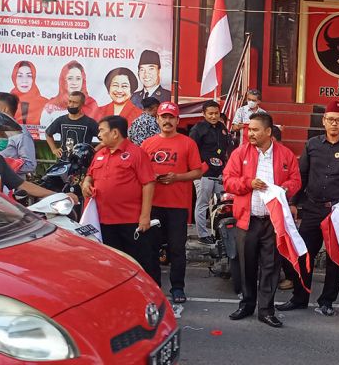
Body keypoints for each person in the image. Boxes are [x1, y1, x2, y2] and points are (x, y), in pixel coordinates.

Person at [278, 100, 339, 317]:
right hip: (312, 208)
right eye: (330, 120)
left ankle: (327, 301)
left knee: (334, 259)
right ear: (323, 121)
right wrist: (294, 202)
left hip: (338, 211)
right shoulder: (312, 144)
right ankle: (299, 297)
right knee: (303, 254)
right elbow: (302, 175)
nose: (334, 124)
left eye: (338, 120)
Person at [224, 112, 301, 328]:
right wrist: (248, 183)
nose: (250, 133)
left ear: (268, 132)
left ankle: (266, 310)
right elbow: (228, 181)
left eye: (256, 129)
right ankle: (247, 304)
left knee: (271, 266)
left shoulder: (285, 154)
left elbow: (296, 180)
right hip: (247, 221)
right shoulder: (240, 153)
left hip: (273, 221)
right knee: (247, 265)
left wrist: (285, 189)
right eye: (249, 129)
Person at [81, 115, 157, 281]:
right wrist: (86, 183)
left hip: (129, 220)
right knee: (112, 263)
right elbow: (89, 175)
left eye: (102, 130)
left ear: (115, 133)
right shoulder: (100, 153)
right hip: (103, 220)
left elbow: (148, 184)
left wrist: (145, 216)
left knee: (139, 262)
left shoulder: (136, 153)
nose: (99, 134)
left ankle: (150, 295)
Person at [141, 102, 202, 303]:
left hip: (177, 205)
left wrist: (177, 177)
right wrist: (153, 175)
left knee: (177, 248)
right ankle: (154, 286)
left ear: (177, 120)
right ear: (157, 119)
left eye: (171, 117)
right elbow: (140, 173)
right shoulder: (147, 144)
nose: (167, 121)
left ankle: (177, 287)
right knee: (150, 248)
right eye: (163, 117)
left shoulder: (188, 143)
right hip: (153, 204)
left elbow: (198, 172)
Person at [190, 100, 231, 244]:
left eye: (216, 113)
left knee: (219, 205)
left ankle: (217, 233)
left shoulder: (223, 128)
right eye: (210, 113)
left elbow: (226, 149)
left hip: (220, 173)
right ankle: (202, 234)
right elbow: (191, 150)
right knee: (202, 204)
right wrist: (198, 169)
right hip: (203, 173)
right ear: (204, 114)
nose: (214, 116)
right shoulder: (198, 129)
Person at [41, 61, 98, 132]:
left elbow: (99, 133)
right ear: (63, 80)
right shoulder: (51, 107)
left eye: (78, 79)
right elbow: (45, 132)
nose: (74, 83)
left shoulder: (91, 104)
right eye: (70, 78)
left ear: (83, 81)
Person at [45, 91, 99, 160]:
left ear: (82, 104)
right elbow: (48, 134)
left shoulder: (89, 122)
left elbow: (104, 140)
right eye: (70, 101)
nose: (71, 105)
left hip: (82, 163)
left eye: (75, 102)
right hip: (63, 161)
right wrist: (54, 149)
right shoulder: (61, 120)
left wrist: (92, 151)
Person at [0, 93, 36, 176]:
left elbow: (30, 165)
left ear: (4, 109)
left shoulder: (21, 133)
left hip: (10, 186)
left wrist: (6, 165)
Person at [10, 60, 46, 134]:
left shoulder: (45, 103)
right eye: (20, 76)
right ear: (14, 78)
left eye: (29, 76)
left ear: (34, 78)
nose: (24, 80)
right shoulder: (7, 101)